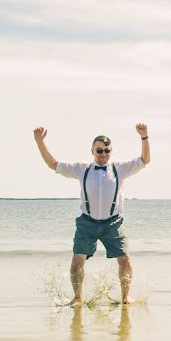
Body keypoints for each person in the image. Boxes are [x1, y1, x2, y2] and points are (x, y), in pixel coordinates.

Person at [33, 124, 150, 306]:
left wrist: (144, 137)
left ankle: (125, 297)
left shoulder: (120, 169)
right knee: (77, 260)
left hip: (113, 223)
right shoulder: (82, 169)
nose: (103, 154)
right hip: (87, 223)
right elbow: (53, 164)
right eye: (99, 150)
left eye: (106, 151)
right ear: (92, 151)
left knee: (125, 260)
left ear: (111, 151)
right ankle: (78, 298)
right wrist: (39, 142)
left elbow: (144, 160)